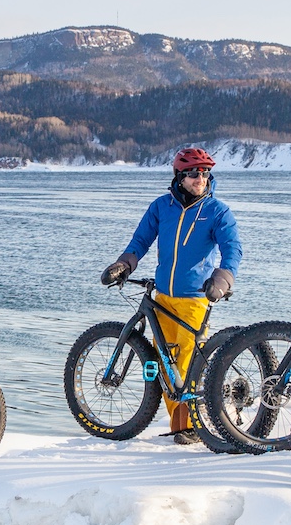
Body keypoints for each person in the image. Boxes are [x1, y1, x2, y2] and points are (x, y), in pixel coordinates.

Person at [99, 147, 243, 445]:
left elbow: (232, 249)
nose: (200, 179)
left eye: (205, 174)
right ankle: (181, 426)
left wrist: (223, 278)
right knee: (165, 365)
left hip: (195, 299)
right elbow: (141, 240)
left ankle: (192, 427)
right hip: (163, 298)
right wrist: (124, 264)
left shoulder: (217, 211)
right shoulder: (161, 207)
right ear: (179, 176)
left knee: (188, 364)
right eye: (193, 174)